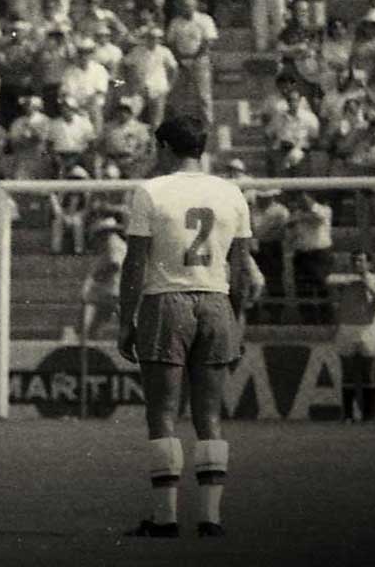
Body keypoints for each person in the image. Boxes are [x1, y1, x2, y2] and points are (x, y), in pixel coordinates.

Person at [117, 114, 259, 539]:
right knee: (209, 415)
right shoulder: (232, 192)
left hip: (167, 301)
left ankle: (165, 519)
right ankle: (211, 519)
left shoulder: (150, 192)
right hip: (216, 302)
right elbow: (242, 269)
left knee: (162, 413)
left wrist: (127, 320)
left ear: (164, 147)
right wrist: (238, 319)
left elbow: (135, 262)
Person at [327, 251, 375, 423]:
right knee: (347, 373)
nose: (357, 264)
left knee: (369, 373)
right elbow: (328, 280)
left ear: (369, 264)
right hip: (347, 328)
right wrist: (349, 280)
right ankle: (348, 414)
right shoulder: (346, 280)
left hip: (369, 329)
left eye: (361, 261)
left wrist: (370, 285)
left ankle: (369, 414)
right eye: (354, 261)